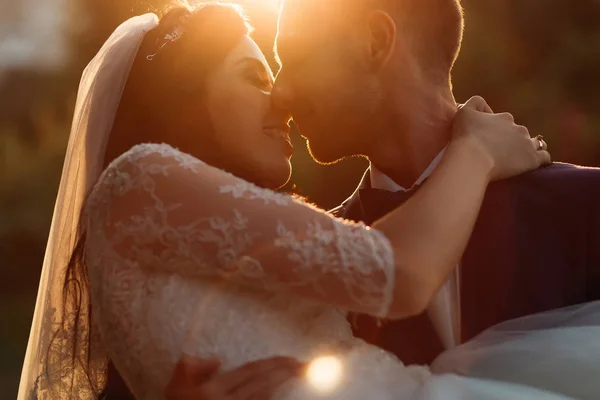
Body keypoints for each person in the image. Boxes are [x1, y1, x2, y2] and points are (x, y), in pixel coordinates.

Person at [15, 2, 597, 400]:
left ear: (375, 42)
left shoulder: (582, 206)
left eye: (289, 60)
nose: (283, 96)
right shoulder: (295, 275)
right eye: (259, 74)